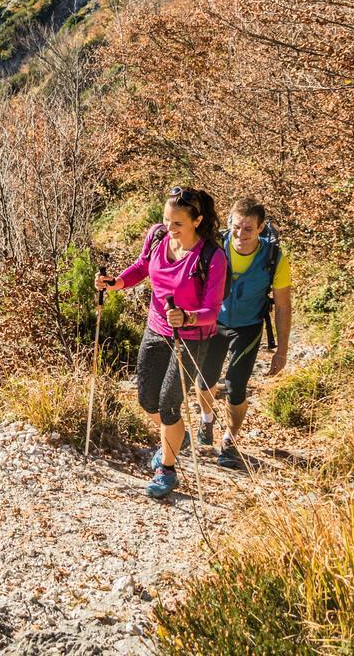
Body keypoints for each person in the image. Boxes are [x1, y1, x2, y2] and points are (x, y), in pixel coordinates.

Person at [96, 185, 226, 500]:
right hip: (156, 329)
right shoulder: (157, 236)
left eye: (177, 223)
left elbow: (212, 309)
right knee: (147, 400)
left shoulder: (212, 257)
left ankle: (166, 470)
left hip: (190, 337)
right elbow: (142, 268)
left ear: (196, 221)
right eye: (167, 220)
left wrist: (188, 317)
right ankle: (174, 437)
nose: (169, 228)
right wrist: (117, 283)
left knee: (169, 406)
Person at [195, 198, 292, 469]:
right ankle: (206, 420)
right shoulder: (214, 249)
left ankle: (229, 441)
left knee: (236, 385)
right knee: (204, 379)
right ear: (229, 223)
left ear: (261, 228)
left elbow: (283, 307)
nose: (241, 234)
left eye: (248, 229)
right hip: (213, 322)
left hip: (248, 326)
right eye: (236, 227)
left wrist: (281, 351)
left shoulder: (273, 258)